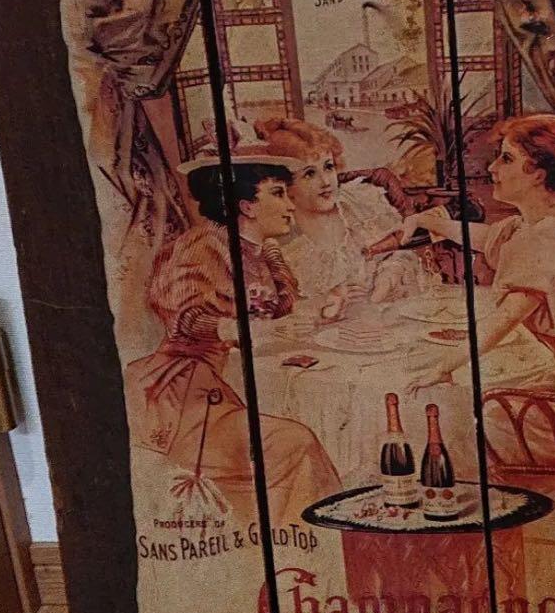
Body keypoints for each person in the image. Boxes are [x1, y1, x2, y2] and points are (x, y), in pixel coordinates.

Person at [125, 142, 340, 523]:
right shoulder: (202, 246)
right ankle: (313, 537)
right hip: (182, 396)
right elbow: (187, 319)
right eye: (278, 194)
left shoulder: (259, 251)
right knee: (297, 442)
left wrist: (324, 306)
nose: (291, 205)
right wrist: (249, 331)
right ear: (247, 206)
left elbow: (274, 313)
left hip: (224, 385)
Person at [399, 112, 555, 395]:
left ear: (538, 174)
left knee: (462, 403)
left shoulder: (553, 236)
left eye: (506, 159)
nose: (492, 168)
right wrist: (426, 221)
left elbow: (505, 319)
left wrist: (444, 367)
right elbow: (488, 237)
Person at [254, 116, 427, 319]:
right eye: (309, 174)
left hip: (383, 320)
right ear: (287, 186)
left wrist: (389, 277)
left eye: (328, 167)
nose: (326, 181)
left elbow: (401, 254)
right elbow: (274, 309)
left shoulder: (359, 206)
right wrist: (326, 303)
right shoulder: (278, 232)